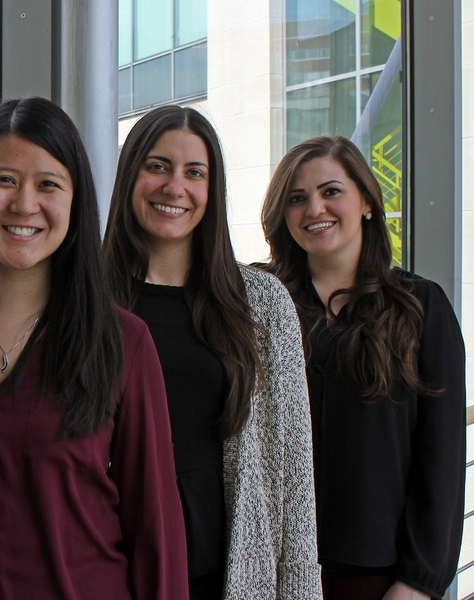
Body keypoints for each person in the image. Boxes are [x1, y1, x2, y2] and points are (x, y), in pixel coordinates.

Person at [0, 96, 190, 599]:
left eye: (48, 184)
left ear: (76, 202)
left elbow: (155, 532)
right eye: (4, 180)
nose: (25, 204)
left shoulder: (124, 344)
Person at [103, 105, 322, 600]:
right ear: (129, 175)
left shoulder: (262, 304)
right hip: (108, 562)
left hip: (225, 570)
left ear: (212, 189)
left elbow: (294, 477)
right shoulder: (83, 301)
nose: (174, 187)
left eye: (194, 173)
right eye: (157, 166)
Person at [260, 135, 465, 600]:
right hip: (274, 569)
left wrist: (419, 582)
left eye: (331, 191)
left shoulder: (420, 306)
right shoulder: (260, 304)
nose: (315, 209)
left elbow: (443, 452)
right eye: (297, 198)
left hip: (382, 575)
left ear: (367, 202)